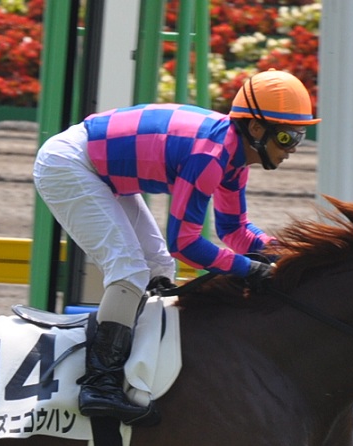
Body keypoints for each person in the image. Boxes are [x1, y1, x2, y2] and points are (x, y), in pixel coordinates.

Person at [32, 69, 320, 425]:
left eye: (299, 137)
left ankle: (139, 364)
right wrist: (250, 269)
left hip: (99, 169)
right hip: (69, 164)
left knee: (158, 268)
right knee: (129, 270)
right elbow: (184, 244)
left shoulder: (234, 159)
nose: (292, 150)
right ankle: (99, 383)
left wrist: (286, 252)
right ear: (257, 129)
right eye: (287, 137)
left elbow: (235, 232)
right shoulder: (210, 157)